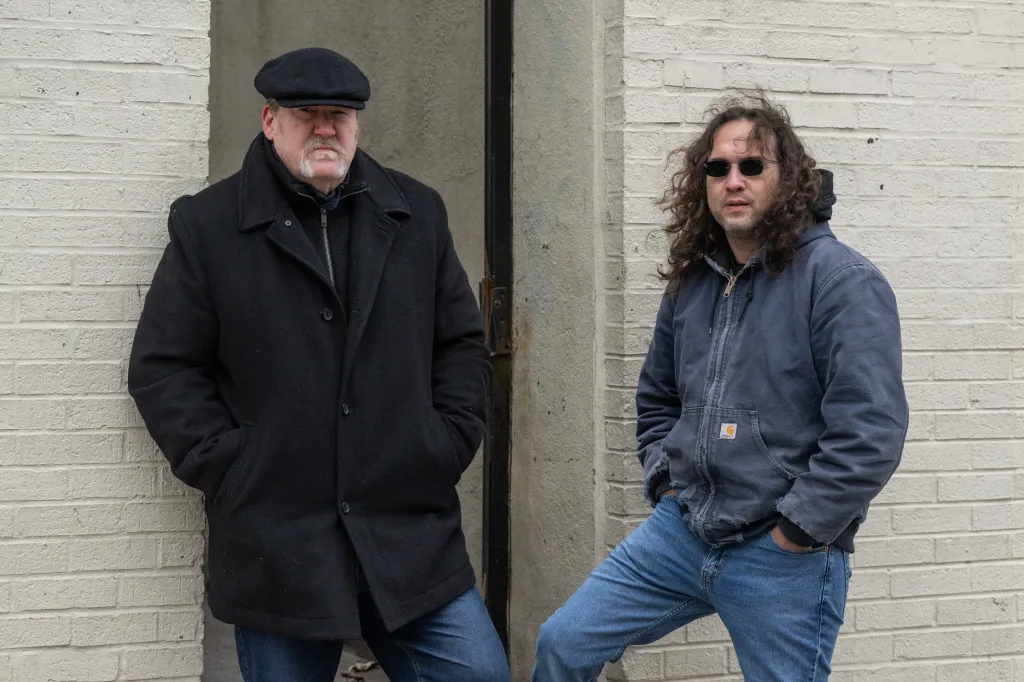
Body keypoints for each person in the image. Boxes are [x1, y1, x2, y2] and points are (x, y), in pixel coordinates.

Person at [128, 47, 508, 682]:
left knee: (479, 673)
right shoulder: (209, 225)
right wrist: (233, 467)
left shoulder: (416, 213)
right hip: (279, 543)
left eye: (341, 115)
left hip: (407, 530)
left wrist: (442, 441)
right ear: (270, 120)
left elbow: (460, 345)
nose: (326, 128)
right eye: (308, 114)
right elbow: (164, 368)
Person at [533, 94, 908, 681]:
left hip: (780, 555)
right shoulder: (694, 282)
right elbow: (657, 398)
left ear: (789, 179)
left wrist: (796, 532)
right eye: (718, 168)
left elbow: (871, 430)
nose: (734, 180)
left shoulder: (841, 281)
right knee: (564, 641)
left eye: (752, 166)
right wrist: (666, 483)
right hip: (684, 532)